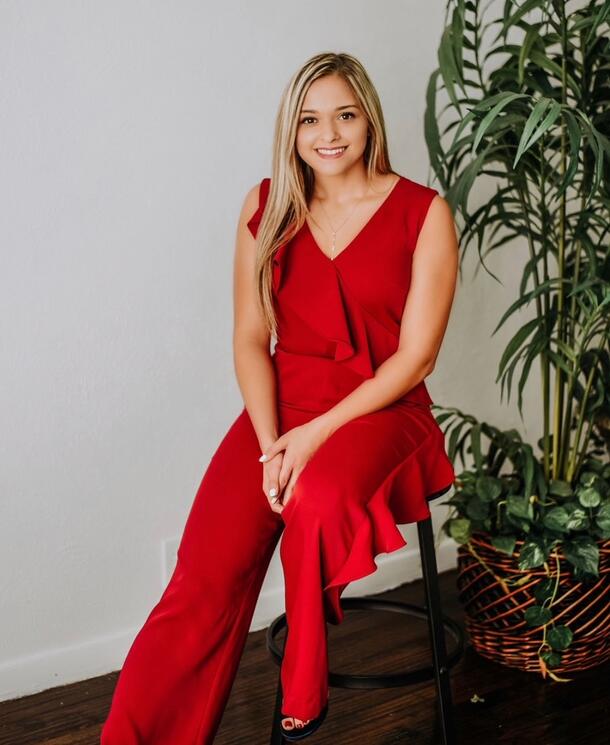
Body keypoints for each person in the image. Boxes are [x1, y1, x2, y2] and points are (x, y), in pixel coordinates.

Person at [100, 50, 458, 744]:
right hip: (278, 410)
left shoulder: (424, 212)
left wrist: (315, 434)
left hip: (382, 408)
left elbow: (416, 357)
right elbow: (248, 338)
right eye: (310, 119)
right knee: (201, 580)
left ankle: (306, 683)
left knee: (317, 498)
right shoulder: (265, 207)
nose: (329, 133)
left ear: (369, 119)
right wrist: (271, 445)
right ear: (290, 130)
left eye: (345, 114)